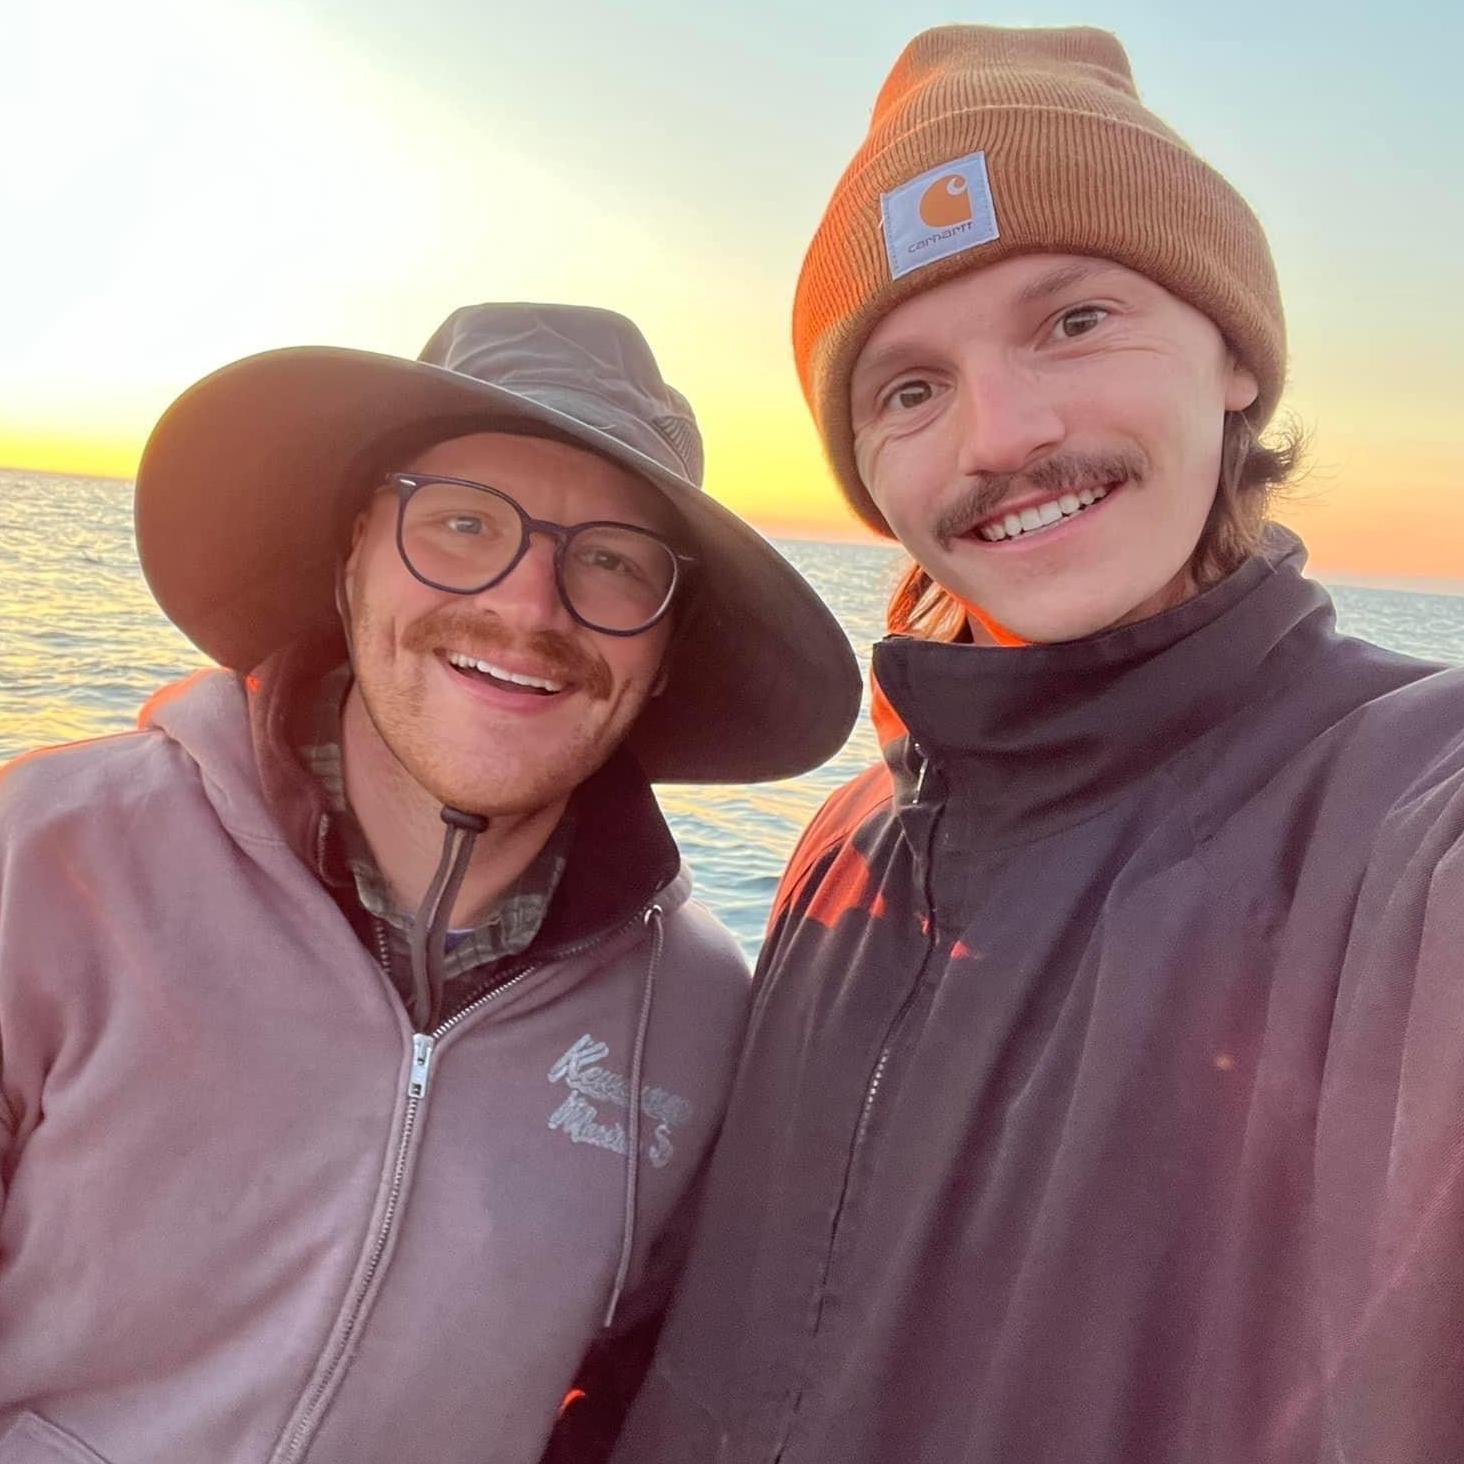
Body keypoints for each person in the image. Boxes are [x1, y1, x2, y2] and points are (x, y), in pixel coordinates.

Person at [613, 26, 1464, 1464]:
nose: (998, 435)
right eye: (910, 387)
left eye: (1076, 320)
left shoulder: (1399, 810)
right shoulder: (845, 853)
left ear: (1236, 359)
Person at [0, 303, 860, 1464]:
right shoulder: (51, 857)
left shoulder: (703, 1019)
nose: (526, 605)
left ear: (665, 649)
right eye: (460, 524)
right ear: (351, 553)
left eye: (610, 561)